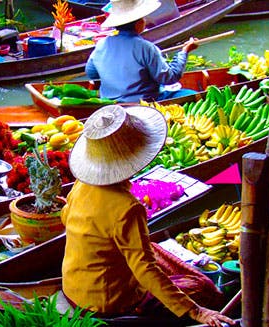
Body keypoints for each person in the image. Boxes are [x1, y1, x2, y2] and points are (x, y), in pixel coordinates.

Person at [61, 104, 235, 326]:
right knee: (201, 288)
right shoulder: (127, 208)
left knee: (154, 249)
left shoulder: (82, 183)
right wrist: (196, 311)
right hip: (106, 303)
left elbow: (66, 218)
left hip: (73, 287)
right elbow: (145, 269)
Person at [85, 0, 199, 103]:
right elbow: (169, 78)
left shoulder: (101, 45)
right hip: (145, 101)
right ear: (139, 24)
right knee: (194, 95)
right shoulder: (146, 47)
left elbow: (91, 73)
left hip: (110, 102)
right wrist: (184, 52)